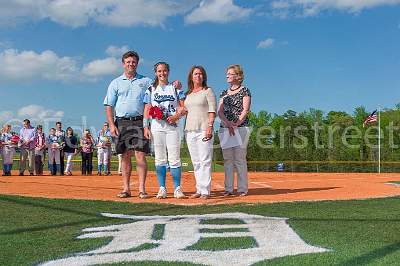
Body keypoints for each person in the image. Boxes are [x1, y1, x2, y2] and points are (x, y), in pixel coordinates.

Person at [103, 51, 153, 199]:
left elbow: (151, 101)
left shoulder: (146, 81)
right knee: (124, 156)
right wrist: (112, 125)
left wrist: (145, 125)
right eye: (128, 62)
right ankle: (126, 189)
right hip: (122, 122)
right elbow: (109, 105)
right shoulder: (115, 82)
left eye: (134, 62)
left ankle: (142, 189)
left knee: (140, 155)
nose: (131, 64)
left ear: (137, 63)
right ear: (123, 63)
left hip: (139, 122)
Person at [143, 62, 186, 199]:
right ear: (155, 72)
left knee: (174, 158)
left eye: (165, 70)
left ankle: (177, 188)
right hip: (157, 127)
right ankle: (162, 188)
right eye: (159, 71)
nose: (162, 73)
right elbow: (147, 109)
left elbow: (184, 108)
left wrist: (176, 116)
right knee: (160, 158)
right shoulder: (150, 89)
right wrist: (145, 126)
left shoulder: (175, 88)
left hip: (173, 127)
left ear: (168, 71)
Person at [218, 64, 251, 196]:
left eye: (230, 73)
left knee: (240, 159)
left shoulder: (245, 90)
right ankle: (228, 189)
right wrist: (228, 123)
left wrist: (236, 124)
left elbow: (245, 109)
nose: (227, 75)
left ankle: (242, 189)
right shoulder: (223, 93)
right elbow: (219, 112)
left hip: (241, 128)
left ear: (238, 76)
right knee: (228, 160)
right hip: (225, 128)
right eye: (227, 73)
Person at [183, 66, 216, 199]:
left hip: (203, 129)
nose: (198, 76)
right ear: (191, 76)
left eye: (201, 74)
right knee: (196, 162)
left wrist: (210, 126)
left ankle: (205, 191)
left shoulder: (208, 91)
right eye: (196, 74)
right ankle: (199, 189)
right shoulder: (187, 94)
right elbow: (182, 110)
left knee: (205, 160)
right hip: (189, 130)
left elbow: (212, 110)